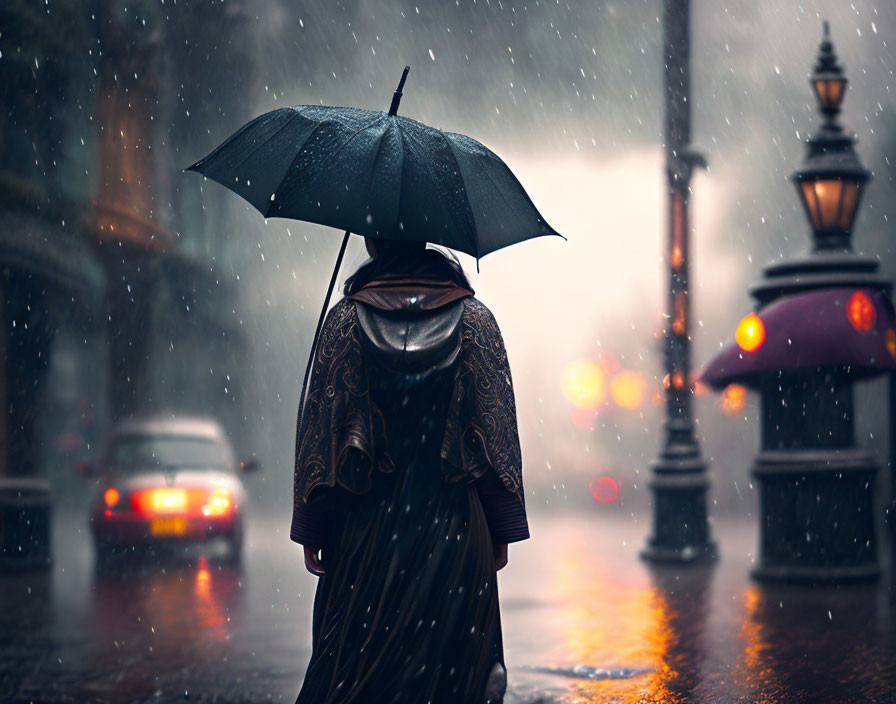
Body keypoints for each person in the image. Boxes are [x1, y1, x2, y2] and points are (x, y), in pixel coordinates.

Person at [291, 237, 529, 703]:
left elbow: (324, 430)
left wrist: (314, 523)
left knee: (358, 672)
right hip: (455, 532)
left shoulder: (343, 323)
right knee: (454, 680)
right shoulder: (476, 323)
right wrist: (499, 527)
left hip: (366, 532)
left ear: (371, 240)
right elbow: (496, 432)